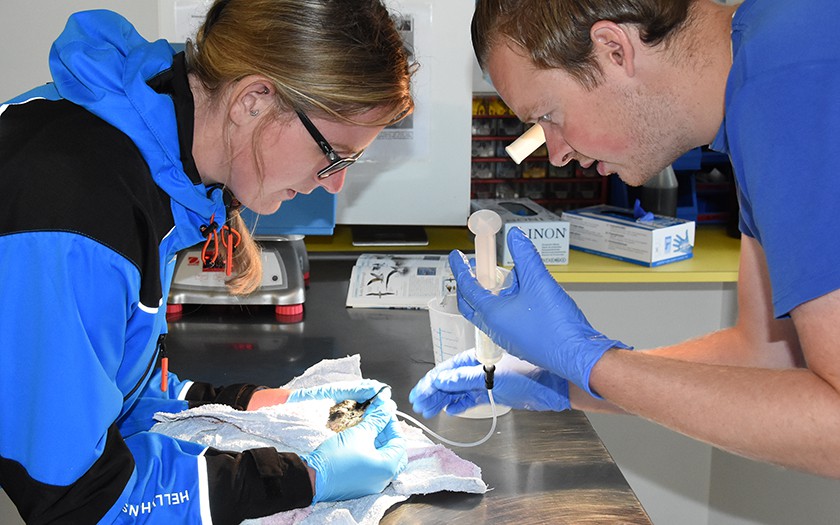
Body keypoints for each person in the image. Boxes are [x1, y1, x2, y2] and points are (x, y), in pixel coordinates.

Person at [0, 0, 415, 522]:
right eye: (333, 153)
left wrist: (249, 403)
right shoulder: (75, 208)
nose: (335, 183)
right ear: (254, 100)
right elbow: (77, 496)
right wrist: (303, 477)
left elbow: (110, 386)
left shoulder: (157, 155)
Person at [411, 0, 840, 479]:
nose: (555, 154)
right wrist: (565, 380)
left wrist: (592, 365)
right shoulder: (761, 74)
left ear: (614, 49)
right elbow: (770, 354)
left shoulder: (790, 82)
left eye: (549, 115)